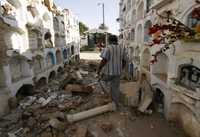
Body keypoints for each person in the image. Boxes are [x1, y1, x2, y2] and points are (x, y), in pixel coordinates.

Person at [97, 35, 127, 107]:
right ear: (116, 40)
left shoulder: (108, 48)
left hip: (109, 72)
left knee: (101, 80)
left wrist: (99, 69)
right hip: (118, 72)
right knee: (115, 88)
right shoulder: (121, 48)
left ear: (109, 41)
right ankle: (115, 103)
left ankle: (108, 95)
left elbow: (104, 60)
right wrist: (121, 68)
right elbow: (124, 61)